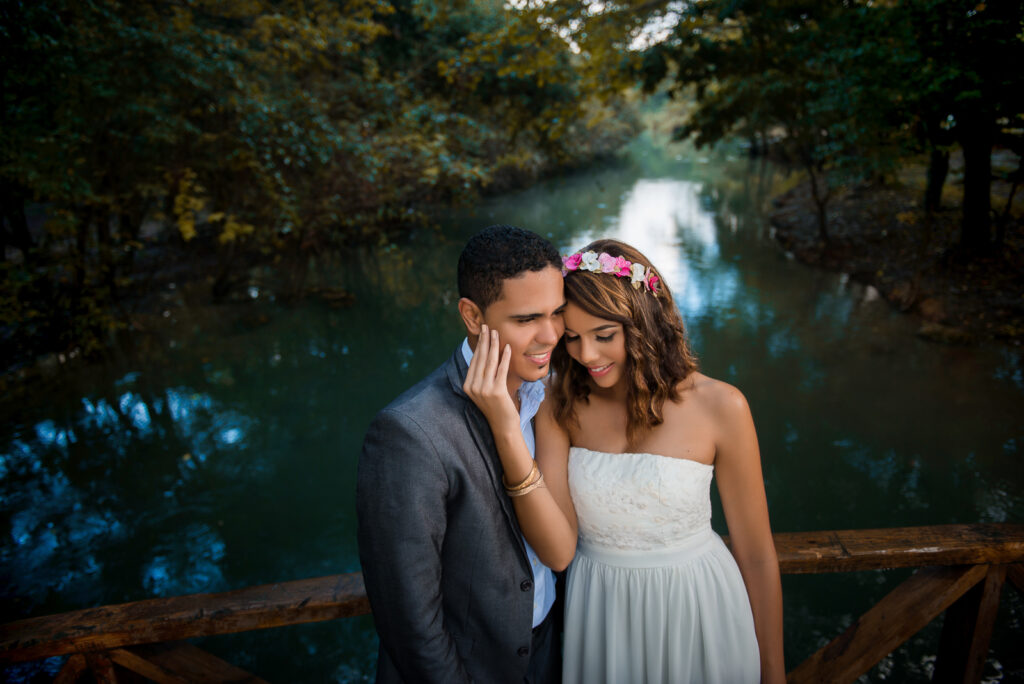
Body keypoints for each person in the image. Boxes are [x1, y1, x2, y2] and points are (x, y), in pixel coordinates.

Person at [463, 238, 785, 683]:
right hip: (601, 616)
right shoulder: (559, 402)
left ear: (646, 322)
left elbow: (756, 554)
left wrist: (774, 670)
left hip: (701, 607)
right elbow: (557, 550)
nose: (586, 355)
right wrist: (505, 427)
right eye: (572, 338)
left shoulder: (722, 406)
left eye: (604, 335)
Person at [356, 225, 566, 683]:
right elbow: (410, 620)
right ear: (473, 317)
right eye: (527, 319)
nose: (550, 335)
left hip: (553, 654)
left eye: (558, 312)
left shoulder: (552, 395)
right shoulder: (408, 431)